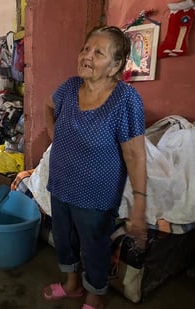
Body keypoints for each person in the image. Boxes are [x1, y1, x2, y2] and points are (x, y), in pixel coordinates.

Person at [43, 26, 147, 309]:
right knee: (64, 238)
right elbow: (47, 106)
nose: (87, 56)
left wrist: (139, 205)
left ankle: (95, 297)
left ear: (115, 66)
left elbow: (136, 155)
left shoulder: (125, 100)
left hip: (97, 192)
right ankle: (72, 285)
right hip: (62, 181)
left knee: (94, 245)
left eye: (97, 52)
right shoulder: (68, 87)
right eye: (85, 49)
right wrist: (55, 135)